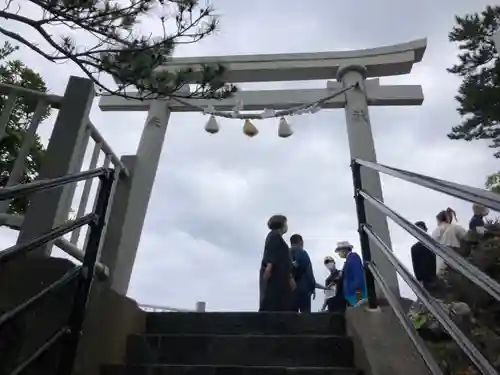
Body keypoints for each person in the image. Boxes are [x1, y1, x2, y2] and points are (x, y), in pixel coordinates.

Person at [259, 214, 295, 312]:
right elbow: (271, 252)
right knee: (273, 301)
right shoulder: (274, 236)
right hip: (276, 277)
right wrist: (269, 267)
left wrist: (289, 276)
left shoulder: (276, 237)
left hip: (281, 276)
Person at [432, 208, 467, 275]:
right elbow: (466, 237)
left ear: (439, 220)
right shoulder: (455, 227)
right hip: (456, 263)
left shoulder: (435, 232)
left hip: (440, 265)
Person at [289, 234, 317, 313]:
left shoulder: (286, 253)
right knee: (305, 317)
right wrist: (312, 287)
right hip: (303, 289)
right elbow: (308, 272)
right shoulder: (302, 253)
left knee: (292, 316)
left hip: (290, 290)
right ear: (301, 242)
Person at [335, 241, 366, 307]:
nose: (339, 253)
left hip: (356, 295)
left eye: (339, 250)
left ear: (345, 249)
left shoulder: (353, 257)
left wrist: (358, 294)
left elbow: (358, 275)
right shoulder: (349, 260)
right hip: (351, 295)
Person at [410, 221, 437, 290]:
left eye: (421, 229)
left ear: (426, 230)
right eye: (417, 230)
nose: (420, 232)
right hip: (426, 282)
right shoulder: (414, 248)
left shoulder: (434, 244)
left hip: (438, 277)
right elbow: (415, 267)